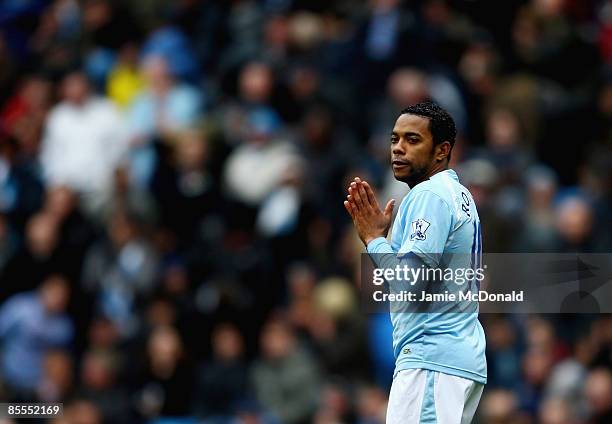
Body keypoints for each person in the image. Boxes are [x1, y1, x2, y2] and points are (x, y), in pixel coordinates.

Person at [344, 101, 486, 423]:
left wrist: (373, 240)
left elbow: (409, 285)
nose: (398, 149)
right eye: (394, 139)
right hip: (453, 356)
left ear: (441, 150)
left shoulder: (429, 196)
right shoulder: (457, 194)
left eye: (412, 140)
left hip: (432, 357)